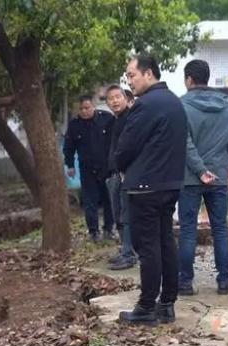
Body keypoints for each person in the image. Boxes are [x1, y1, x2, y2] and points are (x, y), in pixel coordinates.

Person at [116, 54, 187, 326]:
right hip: (169, 184)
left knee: (148, 248)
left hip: (145, 186)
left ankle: (146, 307)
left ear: (148, 74)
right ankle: (167, 304)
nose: (129, 81)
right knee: (165, 242)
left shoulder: (146, 105)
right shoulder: (174, 101)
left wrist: (119, 165)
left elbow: (127, 147)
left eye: (132, 75)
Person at [177, 60, 228, 296]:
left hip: (190, 179)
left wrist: (199, 170)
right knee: (220, 229)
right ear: (207, 79)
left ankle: (186, 283)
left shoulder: (181, 106)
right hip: (219, 176)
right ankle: (224, 281)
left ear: (189, 79)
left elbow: (183, 142)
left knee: (188, 230)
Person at [64, 95, 115, 241]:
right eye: (81, 109)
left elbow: (115, 141)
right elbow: (69, 147)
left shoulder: (106, 119)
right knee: (90, 201)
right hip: (87, 168)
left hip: (106, 167)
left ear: (93, 106)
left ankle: (109, 229)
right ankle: (93, 232)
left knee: (108, 199)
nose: (84, 111)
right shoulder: (74, 125)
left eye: (87, 108)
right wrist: (70, 165)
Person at [104, 85, 137, 270]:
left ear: (126, 98)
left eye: (118, 97)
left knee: (126, 215)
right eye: (111, 98)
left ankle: (129, 254)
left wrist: (125, 171)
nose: (115, 101)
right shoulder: (115, 120)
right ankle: (125, 249)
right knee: (118, 214)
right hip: (114, 174)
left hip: (126, 175)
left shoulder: (131, 119)